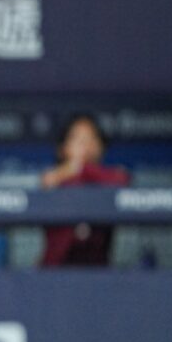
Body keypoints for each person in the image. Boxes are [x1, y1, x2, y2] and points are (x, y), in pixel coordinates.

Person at [39, 114, 130, 266]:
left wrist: (81, 168)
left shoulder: (108, 178)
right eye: (77, 138)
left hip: (97, 272)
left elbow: (122, 181)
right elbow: (47, 182)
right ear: (63, 148)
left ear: (101, 147)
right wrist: (68, 172)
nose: (85, 145)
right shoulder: (54, 179)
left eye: (91, 138)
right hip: (56, 272)